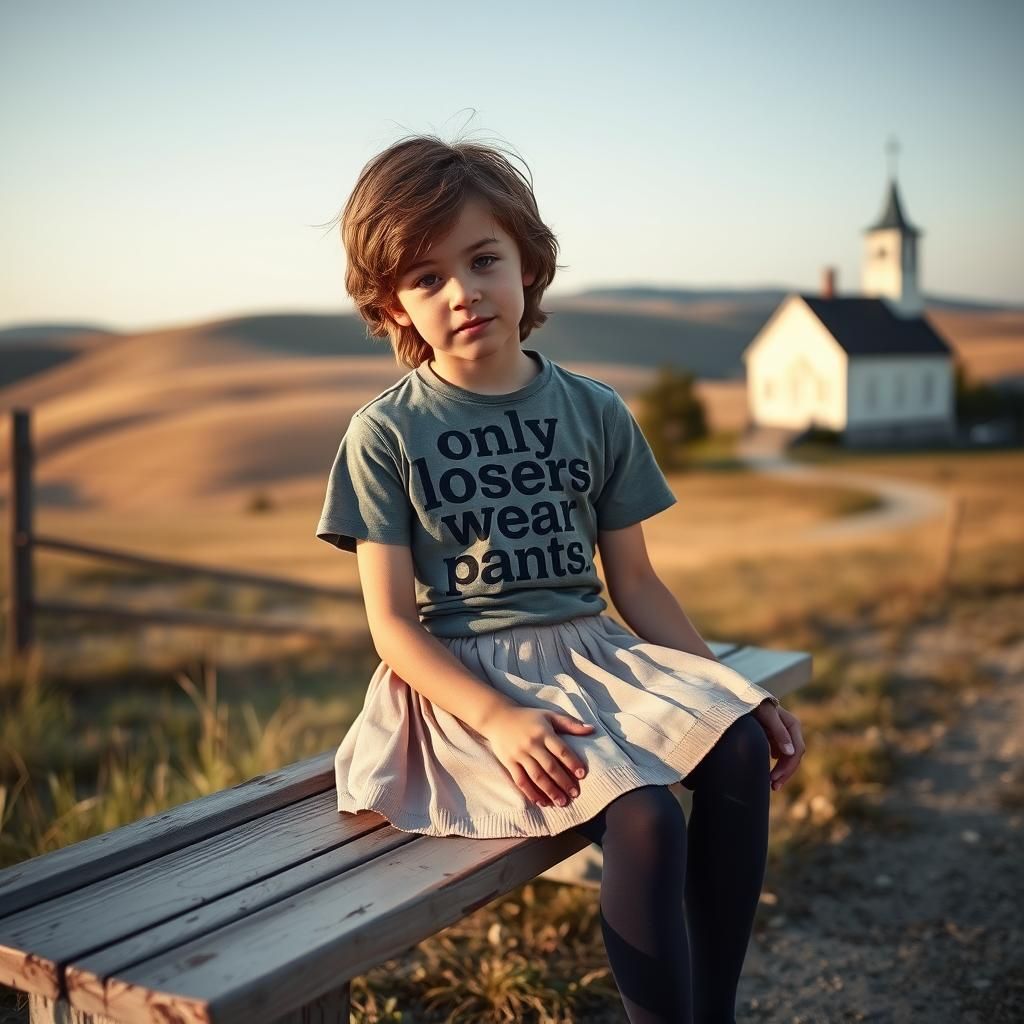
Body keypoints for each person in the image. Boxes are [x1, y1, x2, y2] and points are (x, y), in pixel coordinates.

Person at [316, 132, 805, 1024]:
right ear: (393, 307)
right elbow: (392, 626)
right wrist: (500, 719)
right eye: (426, 278)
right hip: (467, 687)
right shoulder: (383, 436)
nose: (461, 291)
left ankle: (715, 1012)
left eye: (482, 259)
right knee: (648, 815)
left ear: (527, 265)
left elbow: (640, 587)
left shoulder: (596, 411)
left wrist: (727, 687)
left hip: (596, 658)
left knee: (736, 742)